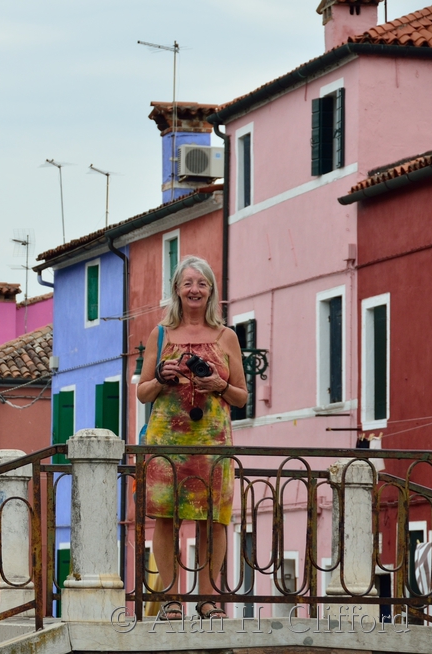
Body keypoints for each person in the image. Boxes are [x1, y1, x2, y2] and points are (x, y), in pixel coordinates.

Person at [136, 256, 248, 621]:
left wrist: (218, 384)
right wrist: (161, 376)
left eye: (201, 283)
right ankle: (170, 598)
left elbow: (241, 397)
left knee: (213, 520)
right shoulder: (161, 335)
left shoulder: (226, 336)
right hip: (166, 441)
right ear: (177, 290)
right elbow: (142, 392)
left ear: (211, 290)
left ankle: (208, 599)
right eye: (188, 283)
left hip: (213, 443)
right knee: (165, 518)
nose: (194, 290)